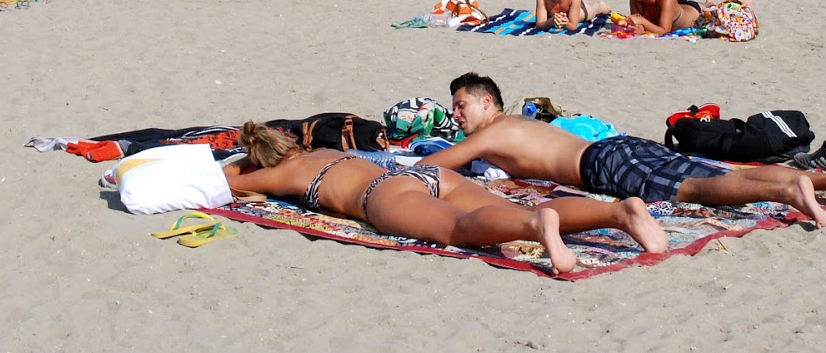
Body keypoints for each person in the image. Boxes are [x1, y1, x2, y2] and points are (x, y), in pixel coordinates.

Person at [428, 74, 826, 225]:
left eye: (461, 104)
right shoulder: (518, 122)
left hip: (603, 163)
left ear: (487, 101)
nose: (458, 114)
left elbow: (434, 166)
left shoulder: (485, 134)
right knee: (712, 172)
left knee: (694, 190)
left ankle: (788, 193)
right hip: (620, 145)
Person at [225, 120, 664, 275]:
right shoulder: (321, 150)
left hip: (382, 195)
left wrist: (244, 167)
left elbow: (224, 182)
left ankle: (537, 228)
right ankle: (617, 213)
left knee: (458, 229)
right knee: (516, 208)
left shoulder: (276, 175)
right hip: (424, 175)